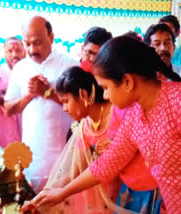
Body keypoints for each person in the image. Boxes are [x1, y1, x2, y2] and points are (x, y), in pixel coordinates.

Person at [22, 36, 181, 214]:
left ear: (127, 82)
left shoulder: (176, 102)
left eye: (105, 88)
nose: (104, 96)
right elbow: (106, 164)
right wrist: (61, 193)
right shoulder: (135, 117)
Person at [4, 16, 79, 193]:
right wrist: (29, 95)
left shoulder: (69, 65)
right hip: (33, 154)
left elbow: (82, 107)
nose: (31, 50)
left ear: (51, 38)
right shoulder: (20, 68)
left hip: (64, 152)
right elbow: (8, 109)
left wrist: (48, 92)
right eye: (27, 43)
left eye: (37, 43)